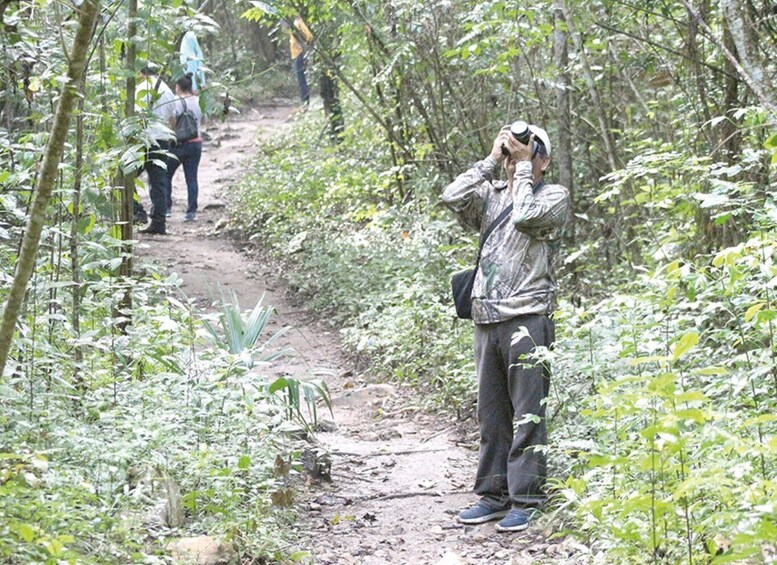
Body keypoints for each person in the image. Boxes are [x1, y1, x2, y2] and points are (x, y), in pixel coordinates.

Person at [441, 123, 570, 532]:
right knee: (492, 415)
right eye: (515, 149)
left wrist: (524, 173)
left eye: (528, 151)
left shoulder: (553, 196)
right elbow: (451, 195)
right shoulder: (492, 195)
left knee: (528, 413)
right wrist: (493, 161)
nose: (518, 157)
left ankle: (527, 499)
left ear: (543, 160)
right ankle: (493, 495)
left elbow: (526, 216)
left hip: (529, 317)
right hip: (486, 319)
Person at [135, 65, 176, 235]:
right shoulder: (168, 91)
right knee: (158, 182)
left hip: (143, 140)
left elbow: (136, 116)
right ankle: (159, 222)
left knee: (124, 177)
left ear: (142, 73)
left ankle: (137, 212)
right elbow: (172, 119)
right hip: (161, 140)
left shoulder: (141, 88)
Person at [167, 74, 203, 222]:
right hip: (196, 142)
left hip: (178, 143)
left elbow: (173, 120)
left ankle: (167, 208)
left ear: (178, 87)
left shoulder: (177, 101)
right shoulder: (200, 101)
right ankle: (191, 211)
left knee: (166, 175)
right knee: (192, 178)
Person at [287, 14, 313, 107]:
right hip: (296, 54)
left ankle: (305, 103)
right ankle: (304, 102)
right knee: (300, 79)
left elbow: (309, 36)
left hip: (300, 54)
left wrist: (303, 45)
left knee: (302, 79)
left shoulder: (299, 22)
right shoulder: (295, 22)